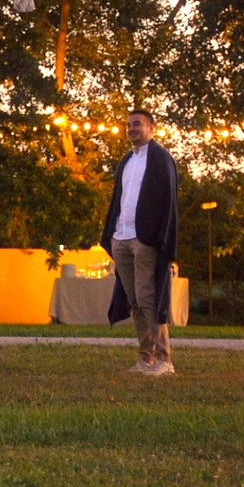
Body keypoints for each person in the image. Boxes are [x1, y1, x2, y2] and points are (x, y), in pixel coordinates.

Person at [103, 108, 180, 377]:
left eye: (137, 124)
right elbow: (119, 199)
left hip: (144, 239)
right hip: (121, 238)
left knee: (149, 298)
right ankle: (146, 358)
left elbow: (168, 202)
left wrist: (160, 238)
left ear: (151, 128)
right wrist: (112, 233)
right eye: (128, 125)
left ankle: (164, 360)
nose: (131, 129)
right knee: (134, 300)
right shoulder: (126, 160)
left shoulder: (160, 159)